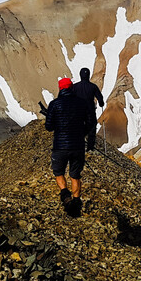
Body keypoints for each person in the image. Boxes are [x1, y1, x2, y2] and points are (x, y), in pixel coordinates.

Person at [45, 77, 95, 211]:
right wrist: (82, 133)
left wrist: (58, 125)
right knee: (75, 174)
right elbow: (90, 122)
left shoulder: (54, 104)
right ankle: (77, 202)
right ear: (72, 88)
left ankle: (65, 194)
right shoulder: (82, 103)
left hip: (60, 146)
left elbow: (48, 126)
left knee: (58, 172)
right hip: (77, 146)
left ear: (60, 88)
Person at [72, 67, 104, 151]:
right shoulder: (93, 87)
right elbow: (100, 98)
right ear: (89, 75)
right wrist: (101, 103)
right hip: (90, 111)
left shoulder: (75, 87)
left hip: (78, 111)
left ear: (80, 75)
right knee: (92, 128)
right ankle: (90, 147)